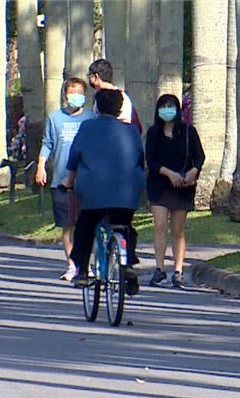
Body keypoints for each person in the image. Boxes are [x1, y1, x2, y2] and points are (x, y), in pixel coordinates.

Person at [63, 89, 144, 294]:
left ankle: (81, 271)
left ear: (96, 107)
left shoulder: (87, 127)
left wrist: (69, 182)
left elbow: (74, 159)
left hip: (93, 193)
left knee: (85, 226)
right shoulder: (132, 131)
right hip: (127, 193)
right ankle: (128, 263)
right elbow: (140, 161)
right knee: (123, 226)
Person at [36, 78, 96, 281]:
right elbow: (47, 143)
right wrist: (41, 166)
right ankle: (72, 265)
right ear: (65, 95)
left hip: (86, 181)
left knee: (86, 225)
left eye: (80, 91)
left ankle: (86, 264)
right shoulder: (55, 118)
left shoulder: (91, 118)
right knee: (67, 225)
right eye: (72, 92)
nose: (76, 95)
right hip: (61, 180)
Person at [145, 94, 205, 289]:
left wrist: (193, 172)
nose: (167, 110)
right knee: (160, 225)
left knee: (178, 230)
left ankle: (178, 271)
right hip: (160, 184)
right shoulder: (153, 133)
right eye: (163, 106)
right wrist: (169, 174)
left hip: (183, 186)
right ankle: (159, 268)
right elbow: (151, 160)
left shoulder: (188, 131)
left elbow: (199, 156)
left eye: (171, 106)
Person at [86, 59, 142, 134]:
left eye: (90, 76)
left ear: (96, 77)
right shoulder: (99, 96)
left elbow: (126, 123)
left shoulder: (121, 97)